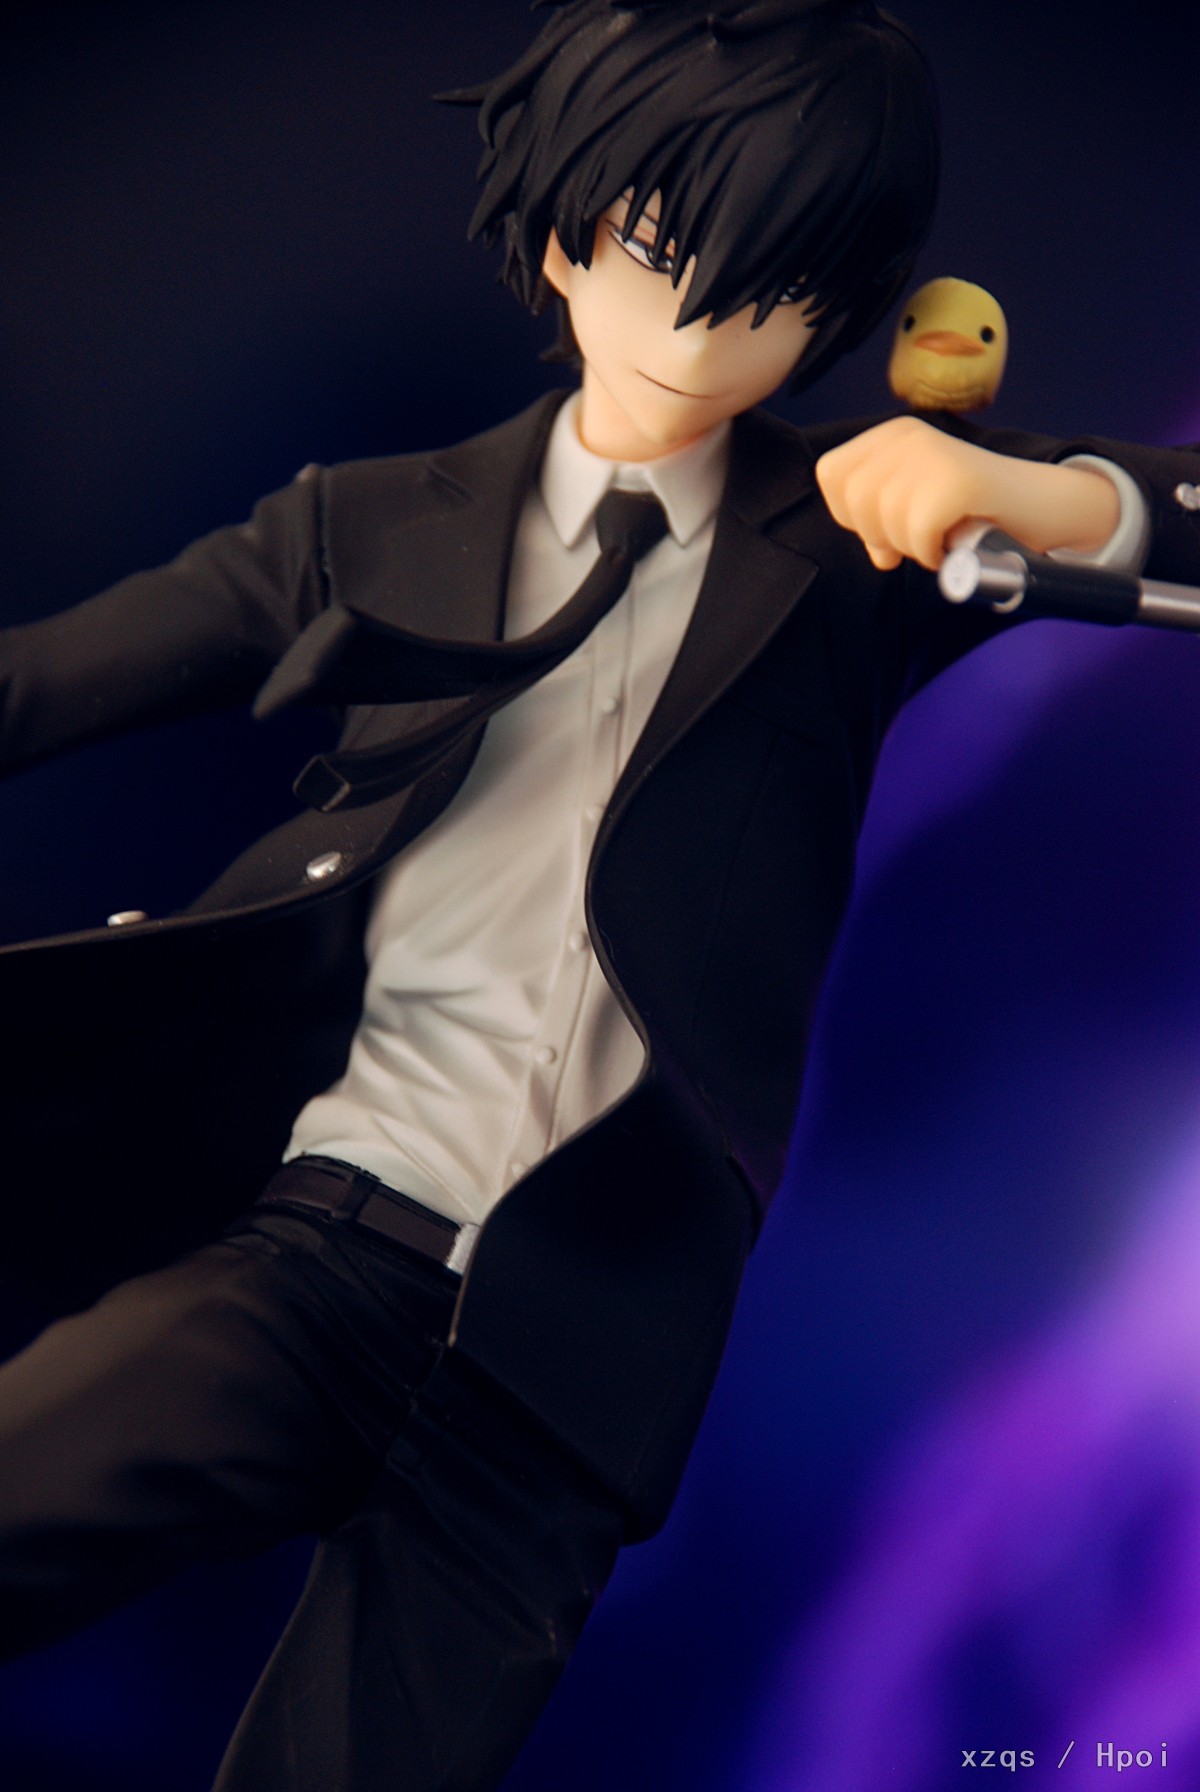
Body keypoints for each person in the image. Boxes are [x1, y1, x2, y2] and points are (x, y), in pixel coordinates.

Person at [0, 1, 1197, 1787]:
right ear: (566, 238)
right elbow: (47, 680)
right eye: (658, 242)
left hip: (571, 1357)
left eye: (774, 281)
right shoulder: (372, 523)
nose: (703, 313)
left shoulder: (846, 553)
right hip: (312, 1246)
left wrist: (1025, 490)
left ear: (836, 307)